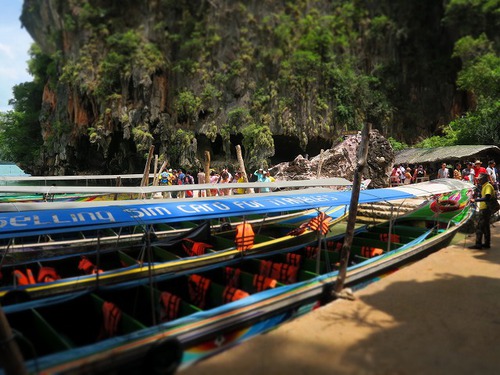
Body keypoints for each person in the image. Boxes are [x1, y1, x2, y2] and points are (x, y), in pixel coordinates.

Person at [469, 173, 495, 249]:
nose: (479, 180)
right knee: (486, 227)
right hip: (485, 209)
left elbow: (487, 197)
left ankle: (478, 244)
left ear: (484, 179)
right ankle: (487, 244)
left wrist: (475, 200)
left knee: (479, 227)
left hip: (486, 209)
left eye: (480, 179)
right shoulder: (484, 186)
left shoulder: (487, 186)